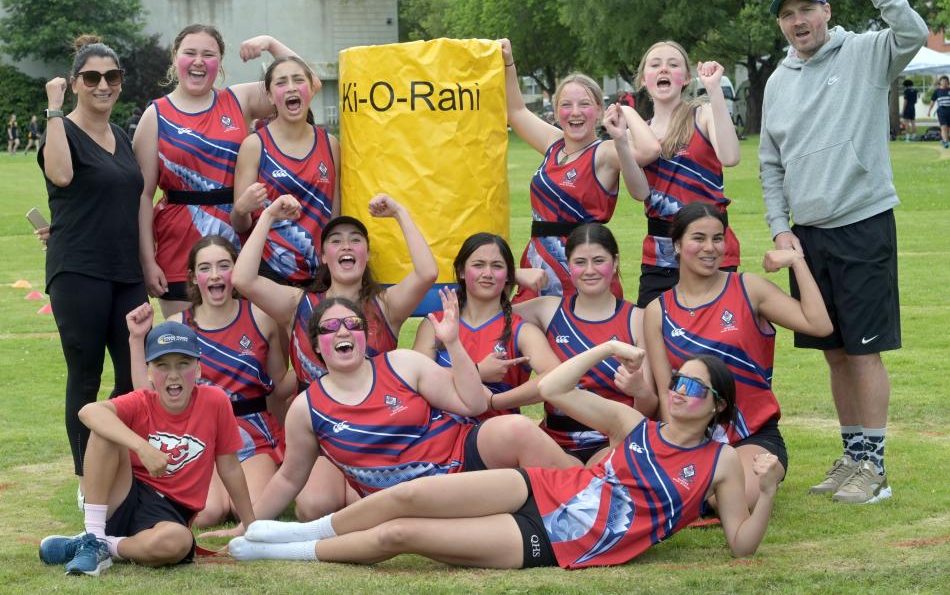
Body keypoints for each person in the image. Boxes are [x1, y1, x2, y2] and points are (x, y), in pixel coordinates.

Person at [226, 345, 783, 569]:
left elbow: (741, 545)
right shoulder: (634, 424)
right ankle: (285, 533)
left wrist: (772, 486)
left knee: (404, 534)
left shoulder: (721, 462)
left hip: (564, 542)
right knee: (410, 494)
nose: (682, 392)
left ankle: (280, 556)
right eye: (680, 381)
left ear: (717, 408)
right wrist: (610, 349)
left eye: (696, 389)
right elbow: (556, 389)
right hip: (543, 489)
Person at [203, 291, 580, 540]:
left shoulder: (401, 364)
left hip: (462, 459)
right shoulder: (307, 408)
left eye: (352, 324)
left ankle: (593, 486)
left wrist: (452, 342)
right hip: (410, 498)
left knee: (514, 428)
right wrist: (247, 526)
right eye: (329, 328)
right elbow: (288, 478)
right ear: (316, 344)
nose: (343, 332)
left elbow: (473, 404)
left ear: (365, 335)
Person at [759, 0, 927, 504]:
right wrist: (779, 227)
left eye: (805, 9)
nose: (797, 22)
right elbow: (769, 163)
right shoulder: (778, 79)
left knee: (864, 352)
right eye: (787, 14)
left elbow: (914, 31)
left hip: (862, 222)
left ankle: (873, 470)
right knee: (832, 352)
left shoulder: (866, 52)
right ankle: (851, 456)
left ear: (826, 10)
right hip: (807, 237)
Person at [232, 192, 437, 519]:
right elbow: (242, 279)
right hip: (319, 432)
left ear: (366, 255)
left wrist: (399, 211)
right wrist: (269, 215)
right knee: (314, 506)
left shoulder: (386, 306)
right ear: (324, 256)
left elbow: (427, 273)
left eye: (356, 241)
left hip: (373, 430)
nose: (346, 246)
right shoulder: (298, 303)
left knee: (370, 509)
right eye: (336, 241)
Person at [643, 203, 832, 508]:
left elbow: (819, 325)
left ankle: (734, 483)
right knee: (670, 493)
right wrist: (679, 451)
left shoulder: (748, 288)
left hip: (752, 437)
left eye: (718, 238)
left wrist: (797, 262)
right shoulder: (657, 311)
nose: (710, 248)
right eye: (699, 238)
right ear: (677, 244)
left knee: (728, 500)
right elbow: (668, 394)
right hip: (692, 438)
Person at [38, 314, 255, 576]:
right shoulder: (143, 400)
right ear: (150, 371)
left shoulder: (215, 402)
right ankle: (94, 536)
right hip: (125, 493)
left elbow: (230, 467)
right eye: (162, 365)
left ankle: (103, 546)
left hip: (171, 512)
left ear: (198, 369)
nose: (173, 375)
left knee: (179, 542)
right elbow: (88, 412)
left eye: (183, 364)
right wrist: (143, 447)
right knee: (106, 428)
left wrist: (250, 525)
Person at [38, 35, 148, 496]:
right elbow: (60, 175)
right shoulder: (61, 129)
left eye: (112, 77)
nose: (103, 85)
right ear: (77, 83)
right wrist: (54, 108)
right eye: (92, 77)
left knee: (132, 375)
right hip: (79, 271)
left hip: (126, 273)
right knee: (85, 376)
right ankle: (88, 481)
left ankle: (120, 469)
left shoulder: (122, 136)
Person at [134, 24, 297, 318]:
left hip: (238, 240)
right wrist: (147, 260)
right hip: (177, 244)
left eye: (208, 54)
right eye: (190, 53)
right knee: (187, 346)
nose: (198, 61)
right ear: (175, 59)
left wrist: (271, 43)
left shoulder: (238, 100)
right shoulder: (155, 115)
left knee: (246, 344)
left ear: (219, 63)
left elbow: (303, 82)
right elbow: (143, 196)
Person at [499, 38, 659, 302]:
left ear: (598, 109)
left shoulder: (605, 152)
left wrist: (626, 110)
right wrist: (508, 62)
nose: (575, 112)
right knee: (527, 337)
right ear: (555, 110)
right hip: (538, 264)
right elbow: (515, 111)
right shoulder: (553, 144)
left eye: (584, 104)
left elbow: (650, 149)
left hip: (584, 267)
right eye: (566, 105)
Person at [173, 236, 291, 527]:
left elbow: (278, 387)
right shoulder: (178, 324)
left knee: (250, 510)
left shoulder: (261, 317)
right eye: (205, 268)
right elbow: (160, 394)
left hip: (253, 429)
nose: (215, 275)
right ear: (193, 277)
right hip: (200, 430)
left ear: (236, 271)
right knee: (207, 513)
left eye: (224, 266)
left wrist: (310, 367)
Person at [514, 223, 657, 463]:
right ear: (568, 266)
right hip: (554, 440)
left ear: (615, 263)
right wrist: (514, 274)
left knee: (588, 483)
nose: (590, 270)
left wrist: (640, 390)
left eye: (599, 260)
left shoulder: (637, 319)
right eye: (580, 262)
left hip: (612, 442)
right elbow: (478, 307)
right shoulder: (547, 309)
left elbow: (649, 407)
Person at [631, 41, 741, 310]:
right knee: (649, 338)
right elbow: (639, 193)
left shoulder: (702, 114)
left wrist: (714, 90)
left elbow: (730, 156)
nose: (664, 69)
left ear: (686, 78)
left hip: (710, 248)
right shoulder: (639, 132)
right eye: (655, 65)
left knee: (714, 340)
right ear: (643, 79)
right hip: (660, 254)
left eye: (673, 64)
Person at [413, 233, 561, 419]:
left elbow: (556, 377)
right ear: (461, 271)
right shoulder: (434, 324)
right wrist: (478, 372)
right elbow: (413, 378)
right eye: (478, 265)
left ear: (508, 276)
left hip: (497, 436)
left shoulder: (521, 331)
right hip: (440, 436)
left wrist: (495, 401)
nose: (488, 274)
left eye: (497, 266)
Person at [231, 56, 340, 287]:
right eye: (281, 82)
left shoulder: (330, 144)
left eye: (298, 80)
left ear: (311, 88)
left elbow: (335, 216)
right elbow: (240, 223)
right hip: (269, 272)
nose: (290, 87)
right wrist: (241, 208)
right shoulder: (254, 146)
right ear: (270, 96)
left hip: (321, 274)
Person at [928, 74, 950, 148]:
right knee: (943, 127)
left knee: (948, 128)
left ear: (948, 82)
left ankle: (945, 140)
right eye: (943, 81)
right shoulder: (937, 91)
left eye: (946, 81)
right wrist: (929, 111)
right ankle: (946, 142)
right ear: (940, 82)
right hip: (941, 111)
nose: (944, 83)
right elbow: (932, 101)